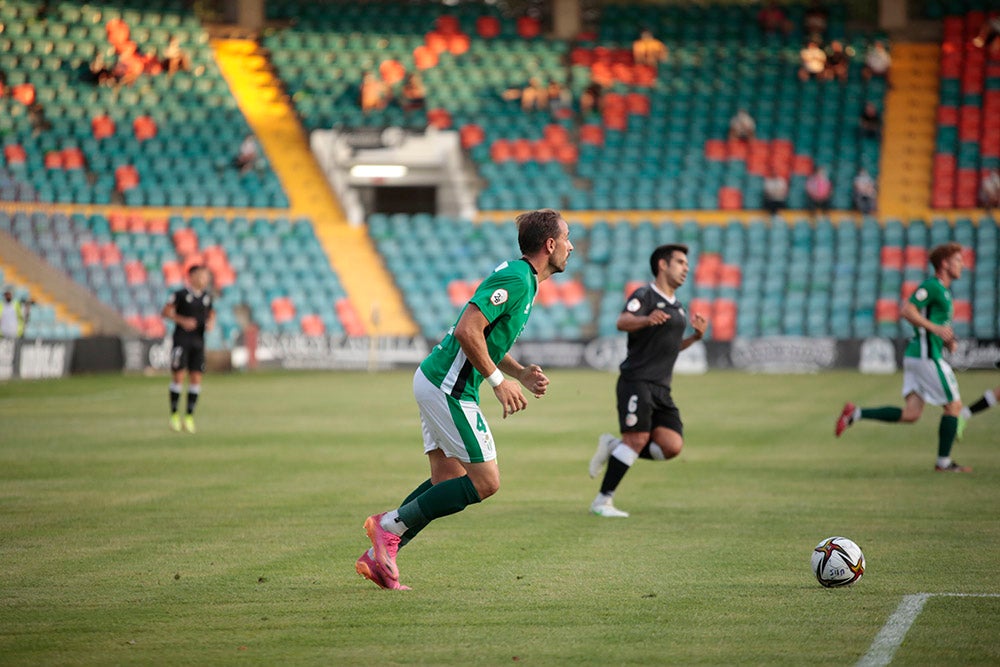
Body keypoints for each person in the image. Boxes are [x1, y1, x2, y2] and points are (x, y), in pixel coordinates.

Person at [357, 209, 574, 590]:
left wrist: (518, 372)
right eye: (567, 239)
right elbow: (466, 330)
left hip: (437, 380)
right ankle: (387, 526)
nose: (571, 247)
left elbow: (486, 338)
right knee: (486, 482)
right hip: (448, 387)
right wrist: (496, 381)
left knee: (448, 479)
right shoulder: (517, 278)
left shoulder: (526, 280)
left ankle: (381, 555)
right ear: (550, 244)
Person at [587, 244, 709, 518]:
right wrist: (646, 319)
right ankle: (602, 501)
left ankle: (613, 446)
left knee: (671, 446)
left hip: (661, 389)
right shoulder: (645, 295)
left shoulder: (678, 308)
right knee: (638, 438)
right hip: (636, 381)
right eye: (680, 262)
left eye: (686, 263)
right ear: (663, 265)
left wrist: (696, 338)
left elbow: (671, 348)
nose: (685, 268)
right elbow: (622, 321)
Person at [835, 242, 971, 473]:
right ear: (945, 263)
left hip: (919, 354)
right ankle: (944, 463)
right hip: (926, 356)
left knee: (911, 414)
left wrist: (947, 339)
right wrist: (936, 330)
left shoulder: (945, 292)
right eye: (958, 260)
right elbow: (908, 310)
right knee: (954, 406)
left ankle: (855, 413)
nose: (962, 265)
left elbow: (938, 325)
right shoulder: (932, 286)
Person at [162, 265, 215, 434]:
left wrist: (211, 323)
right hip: (181, 340)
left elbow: (211, 313)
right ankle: (174, 415)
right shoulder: (180, 294)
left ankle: (189, 416)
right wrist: (182, 320)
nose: (204, 279)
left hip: (198, 342)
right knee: (178, 375)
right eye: (201, 276)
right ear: (191, 277)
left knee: (196, 378)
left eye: (206, 276)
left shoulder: (207, 297)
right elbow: (166, 311)